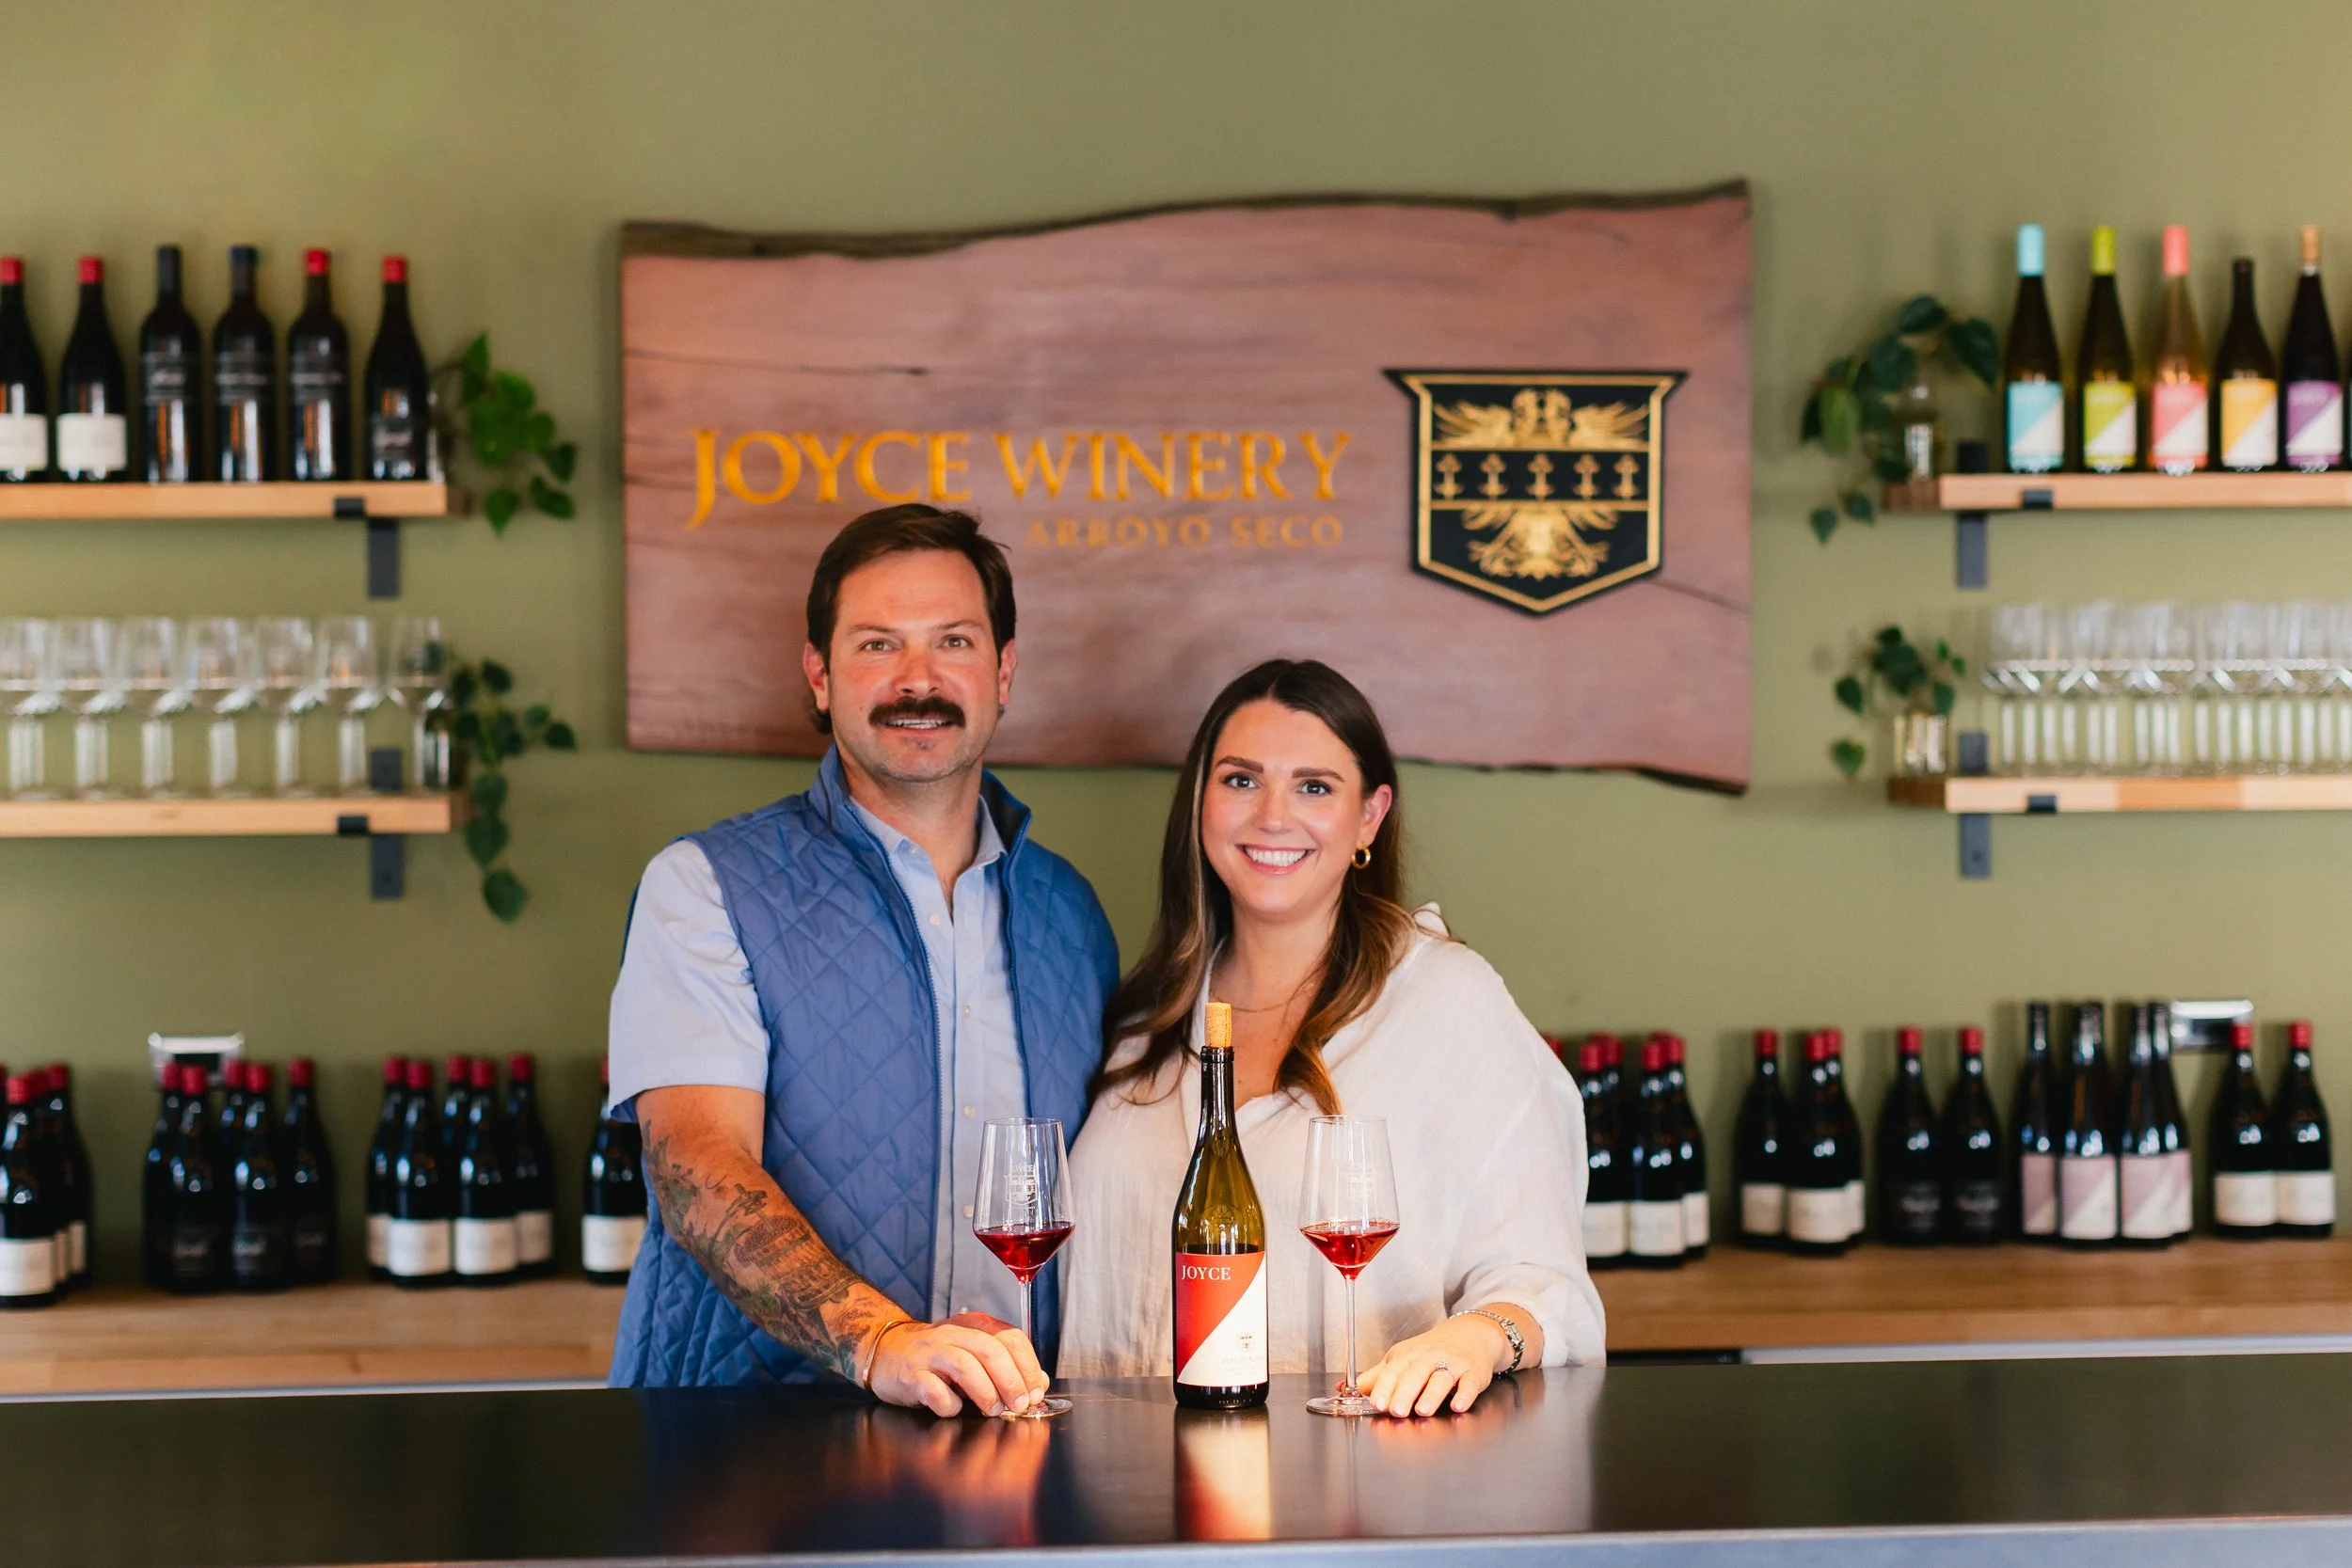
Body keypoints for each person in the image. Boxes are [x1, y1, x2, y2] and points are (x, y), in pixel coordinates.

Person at [606, 503, 1120, 1413]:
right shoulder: (703, 887)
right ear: (820, 674)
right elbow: (697, 1164)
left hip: (1009, 1439)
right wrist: (880, 1341)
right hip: (747, 1441)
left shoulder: (1071, 915)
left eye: (954, 642)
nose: (918, 679)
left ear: (1003, 670)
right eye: (879, 644)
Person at [1060, 658, 1603, 1414]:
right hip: (1129, 1472)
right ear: (1200, 801)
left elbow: (1546, 1283)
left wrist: (1478, 1338)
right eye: (1241, 779)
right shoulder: (1145, 1017)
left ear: (1370, 817)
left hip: (1357, 1469)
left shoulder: (1447, 1000)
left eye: (1314, 786)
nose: (1272, 815)